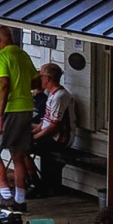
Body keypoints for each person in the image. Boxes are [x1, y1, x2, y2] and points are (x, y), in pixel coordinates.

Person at [0, 26, 37, 210]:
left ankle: (5, 195)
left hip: (10, 109)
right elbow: (36, 81)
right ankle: (20, 199)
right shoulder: (22, 55)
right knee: (18, 155)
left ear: (0, 38)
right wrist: (22, 82)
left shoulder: (2, 56)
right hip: (26, 108)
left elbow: (5, 85)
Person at [31, 62, 76, 197]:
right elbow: (44, 122)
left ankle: (39, 185)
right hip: (49, 134)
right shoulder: (51, 94)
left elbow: (53, 126)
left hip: (60, 138)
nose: (40, 79)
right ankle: (37, 183)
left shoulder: (60, 96)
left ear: (48, 78)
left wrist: (35, 138)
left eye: (41, 76)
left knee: (29, 147)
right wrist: (32, 133)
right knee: (23, 144)